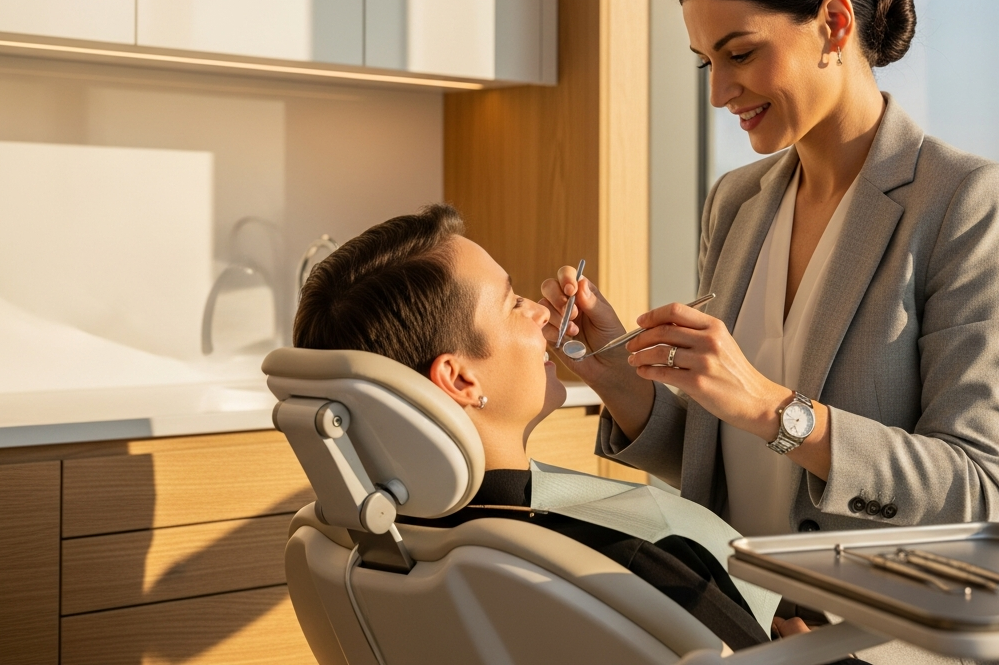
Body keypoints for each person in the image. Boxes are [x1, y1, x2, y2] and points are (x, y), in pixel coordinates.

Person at [543, 0, 999, 541]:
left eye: (742, 54)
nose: (718, 92)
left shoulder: (969, 203)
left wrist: (766, 405)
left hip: (879, 626)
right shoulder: (735, 203)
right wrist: (617, 374)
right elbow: (721, 466)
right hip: (749, 616)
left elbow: (973, 488)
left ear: (834, 24)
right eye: (707, 61)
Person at [291, 205, 830, 653]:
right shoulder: (634, 558)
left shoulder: (377, 540)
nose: (543, 316)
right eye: (512, 303)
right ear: (459, 379)